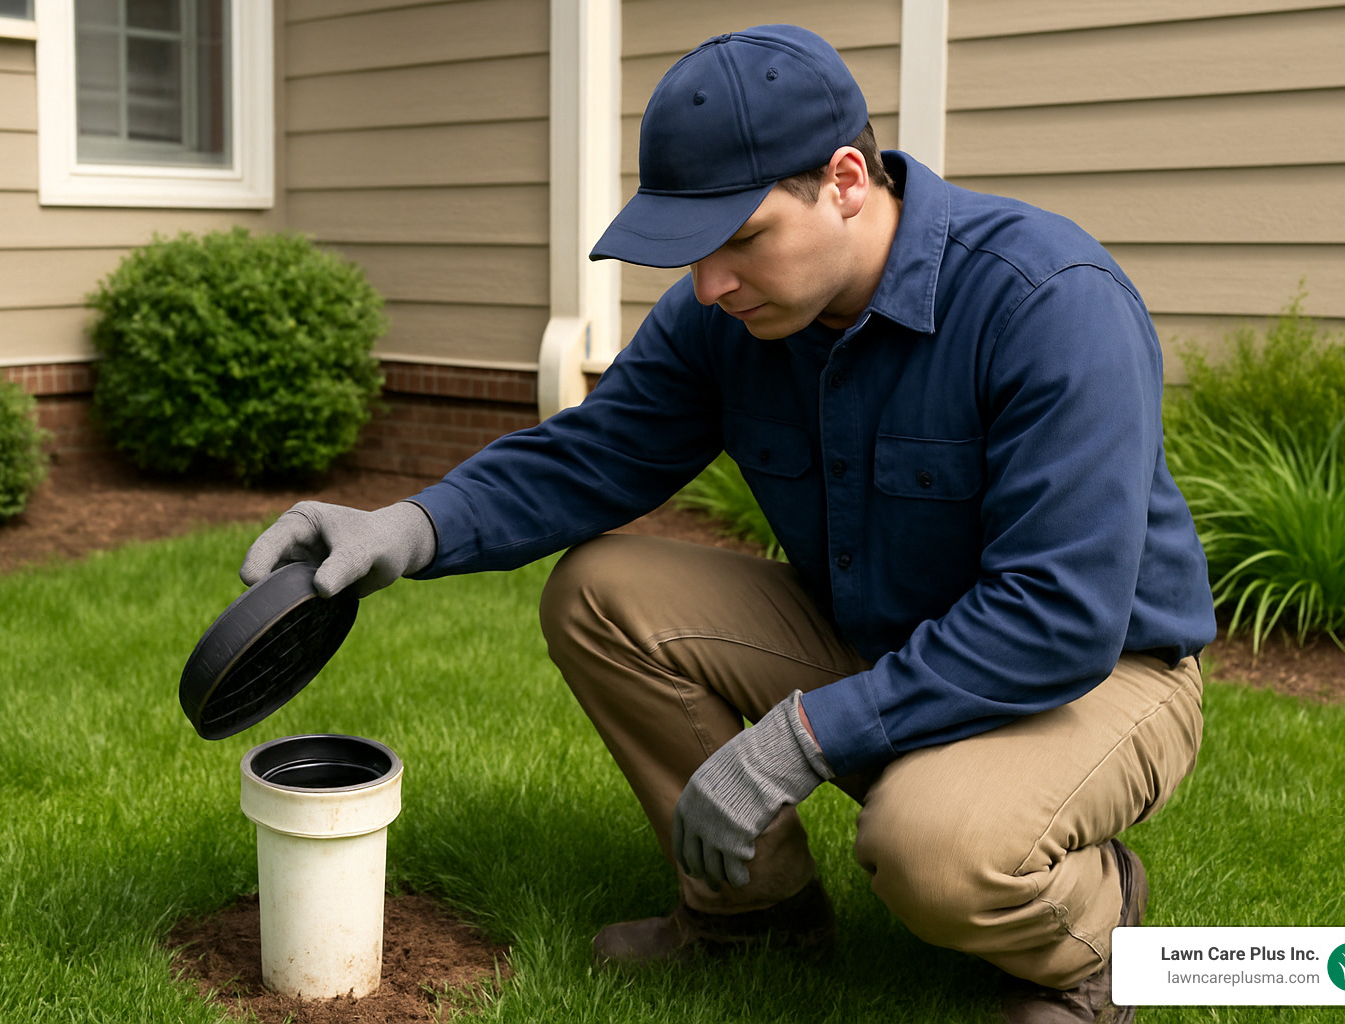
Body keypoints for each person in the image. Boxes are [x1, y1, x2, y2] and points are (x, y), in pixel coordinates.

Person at [240, 24, 1216, 1023]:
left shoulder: (1046, 303)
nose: (711, 285)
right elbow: (591, 455)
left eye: (742, 240)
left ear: (845, 180)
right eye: (693, 251)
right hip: (884, 634)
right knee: (602, 593)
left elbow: (1057, 614)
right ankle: (755, 916)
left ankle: (1101, 943)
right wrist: (406, 528)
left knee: (929, 846)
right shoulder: (731, 319)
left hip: (1100, 673)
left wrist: (796, 739)